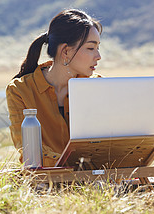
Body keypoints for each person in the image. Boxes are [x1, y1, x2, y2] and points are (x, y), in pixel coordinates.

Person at [6, 9, 102, 167]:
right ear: (65, 51)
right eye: (91, 48)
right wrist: (74, 165)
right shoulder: (20, 90)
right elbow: (28, 150)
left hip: (94, 177)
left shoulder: (99, 86)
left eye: (98, 48)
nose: (98, 56)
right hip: (45, 181)